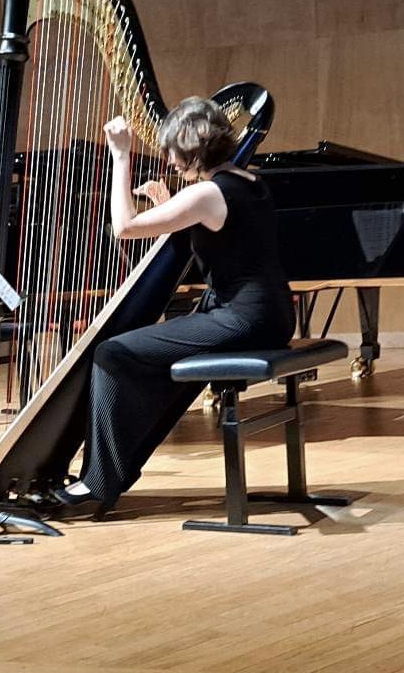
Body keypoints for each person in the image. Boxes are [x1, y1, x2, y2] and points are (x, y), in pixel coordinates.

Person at [49, 96, 294, 517]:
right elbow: (222, 233)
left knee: (112, 353)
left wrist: (121, 157)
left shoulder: (207, 192)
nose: (167, 158)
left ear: (194, 147)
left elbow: (124, 227)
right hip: (270, 315)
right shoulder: (248, 182)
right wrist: (167, 202)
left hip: (243, 319)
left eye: (172, 150)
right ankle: (112, 477)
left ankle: (96, 482)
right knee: (164, 369)